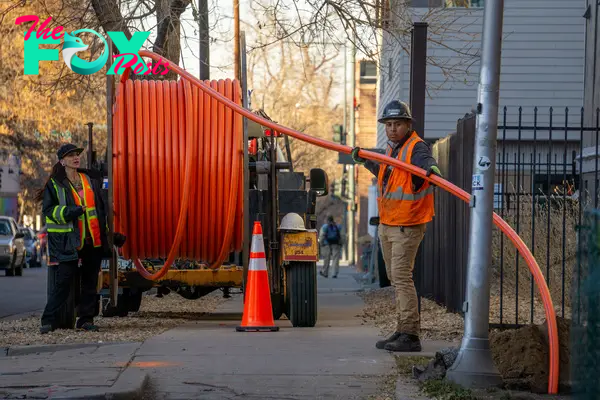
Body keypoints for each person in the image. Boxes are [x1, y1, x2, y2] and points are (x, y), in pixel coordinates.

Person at [351, 100, 442, 352]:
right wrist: (365, 160)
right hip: (389, 224)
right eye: (388, 124)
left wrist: (431, 169)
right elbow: (386, 173)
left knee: (402, 277)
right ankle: (402, 329)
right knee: (395, 277)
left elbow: (425, 161)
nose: (392, 129)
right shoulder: (393, 150)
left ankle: (410, 335)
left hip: (407, 225)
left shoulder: (415, 147)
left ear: (407, 124)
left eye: (397, 124)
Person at [34, 143, 125, 334]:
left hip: (93, 240)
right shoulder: (55, 184)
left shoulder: (90, 179)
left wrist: (111, 237)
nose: (75, 158)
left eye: (77, 155)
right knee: (63, 282)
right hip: (69, 242)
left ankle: (85, 320)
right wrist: (71, 211)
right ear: (61, 161)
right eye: (70, 155)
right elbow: (49, 212)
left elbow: (100, 211)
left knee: (90, 283)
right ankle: (48, 320)